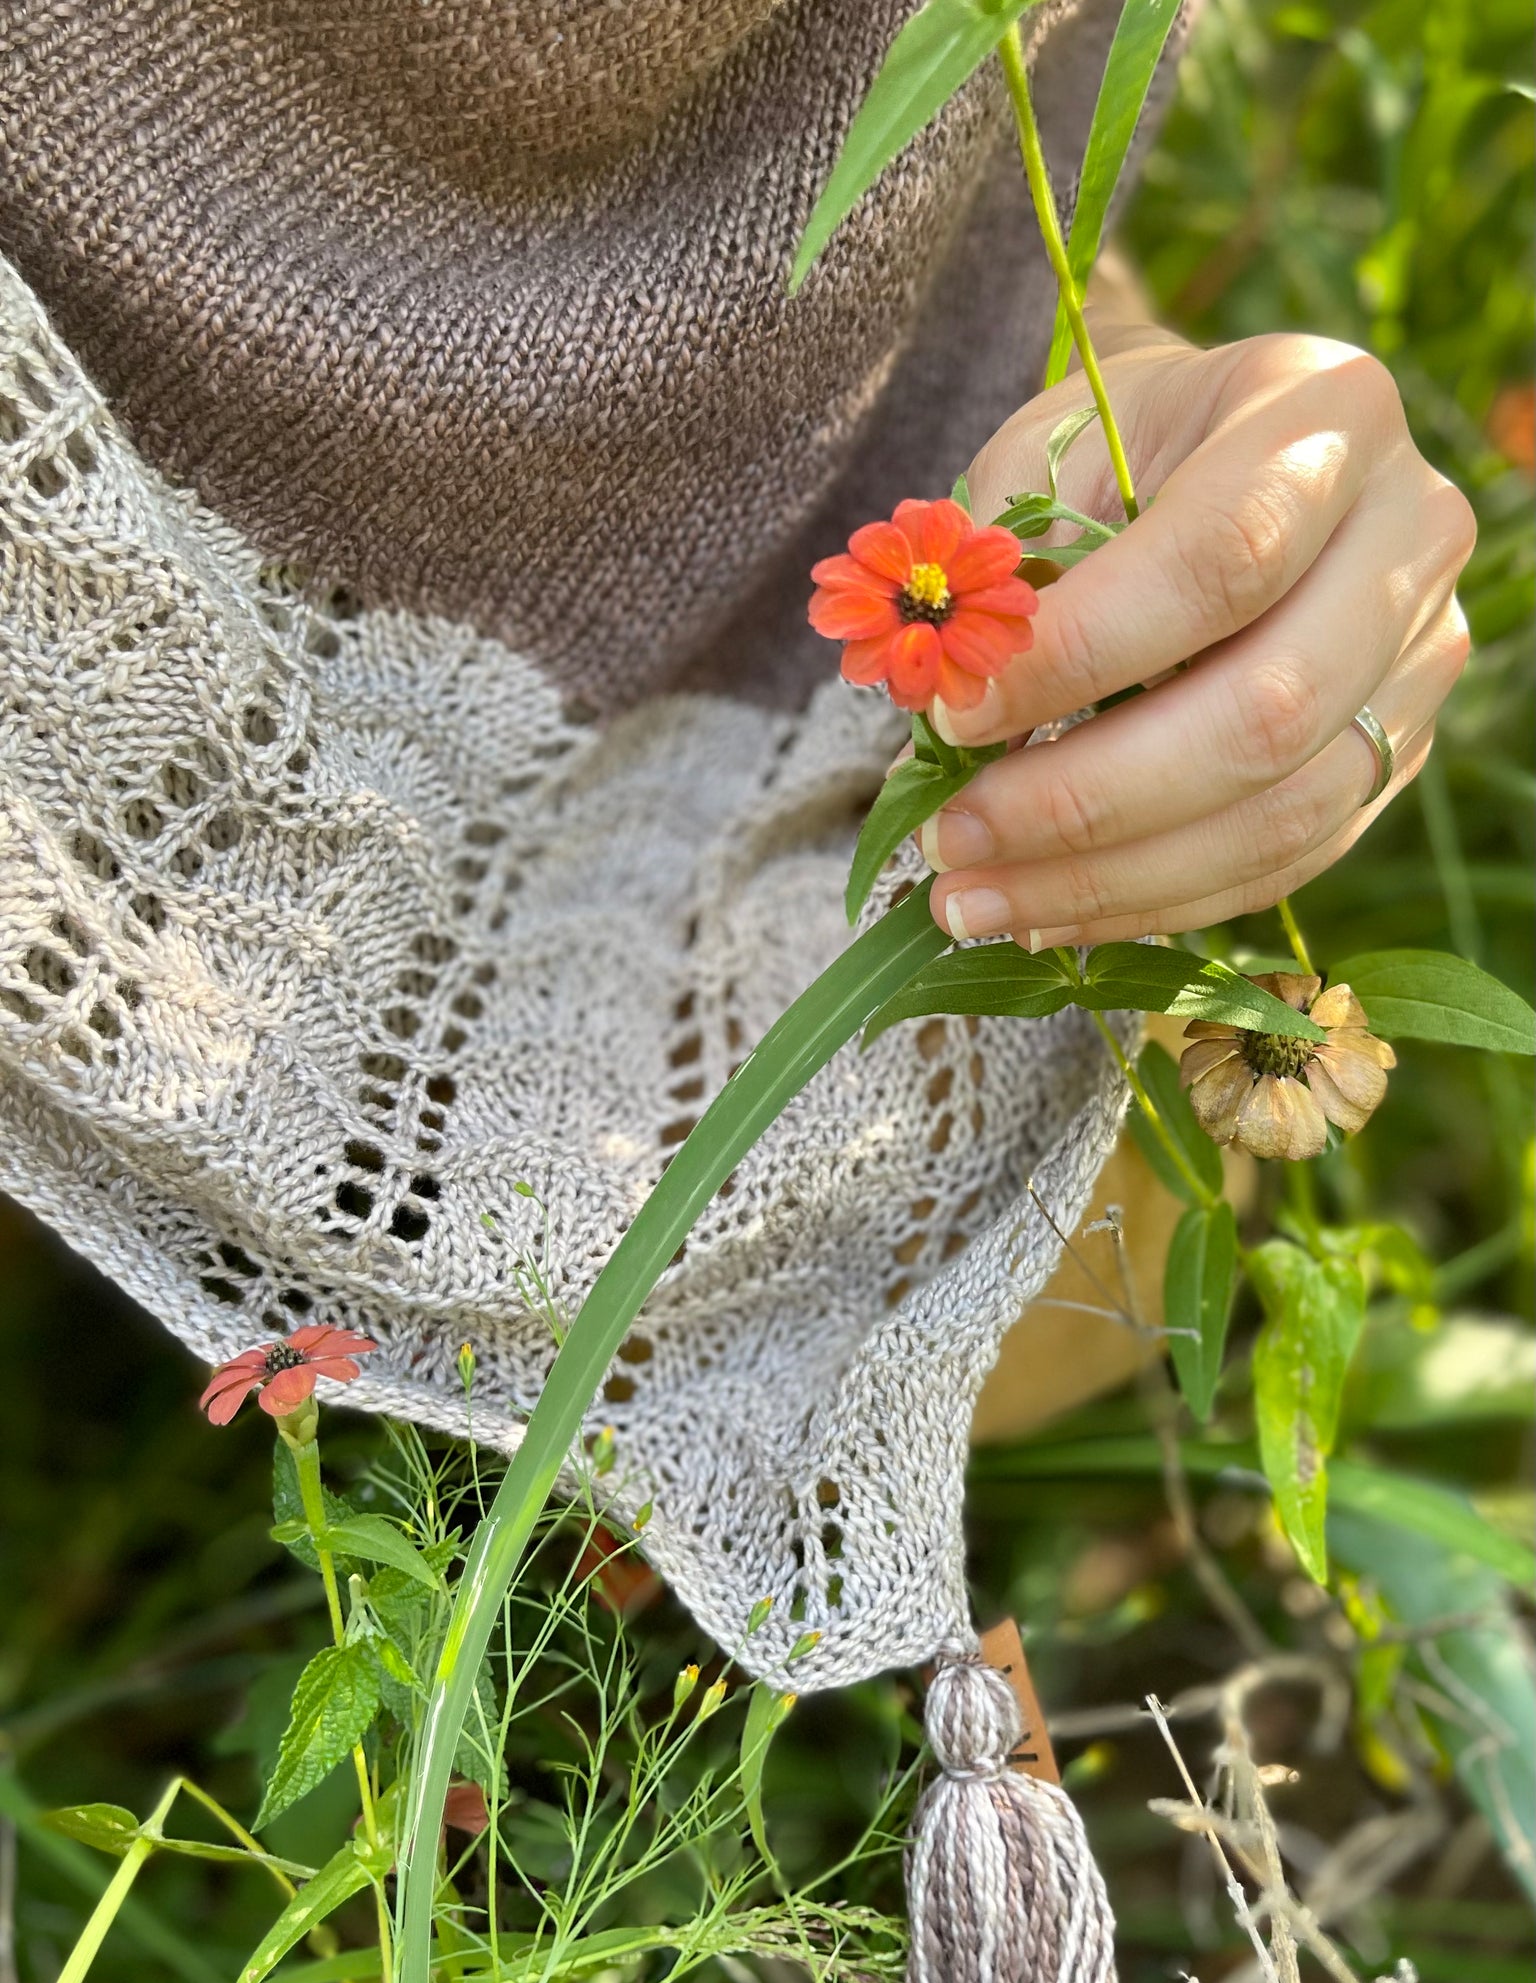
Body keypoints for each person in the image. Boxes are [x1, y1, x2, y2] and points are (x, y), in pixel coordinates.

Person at [0, 3, 1472, 1659]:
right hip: (67, 647)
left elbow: (977, 228)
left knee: (1080, 1276)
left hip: (743, 753)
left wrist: (1156, 427)